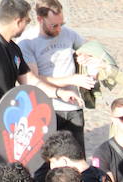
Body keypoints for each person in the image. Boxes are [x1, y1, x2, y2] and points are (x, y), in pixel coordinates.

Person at [0, 0, 82, 116]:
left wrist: (59, 93)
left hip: (3, 119)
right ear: (18, 21)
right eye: (27, 21)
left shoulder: (14, 48)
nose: (27, 25)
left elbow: (31, 81)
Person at [16, 0, 88, 135]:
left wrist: (84, 56)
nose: (59, 29)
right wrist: (71, 79)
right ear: (40, 19)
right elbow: (33, 79)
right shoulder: (27, 42)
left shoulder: (69, 34)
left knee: (76, 149)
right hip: (46, 109)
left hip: (73, 107)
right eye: (54, 25)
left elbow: (89, 50)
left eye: (61, 24)